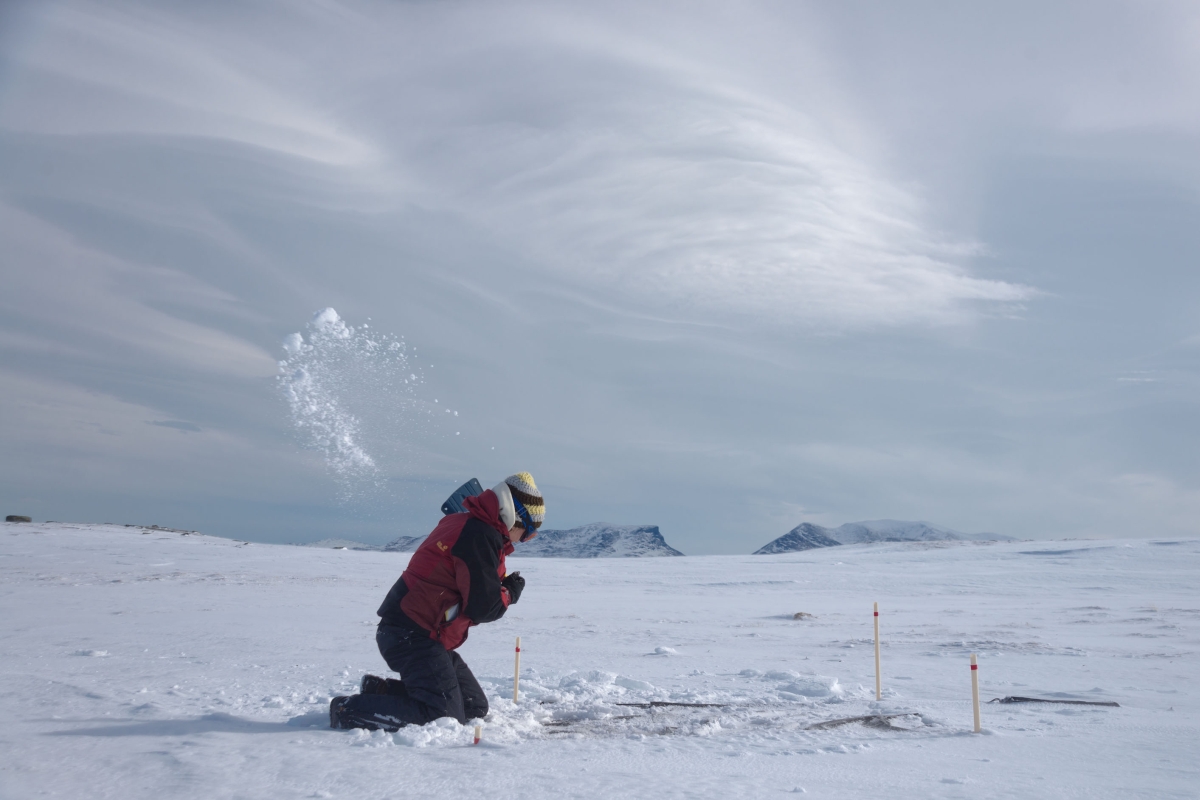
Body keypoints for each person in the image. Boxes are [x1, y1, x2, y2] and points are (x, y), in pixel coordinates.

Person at [330, 472, 544, 731]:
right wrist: (509, 593)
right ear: (513, 515)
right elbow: (483, 607)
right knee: (441, 717)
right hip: (411, 636)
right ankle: (347, 709)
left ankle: (380, 692)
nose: (525, 539)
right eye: (529, 531)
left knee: (473, 707)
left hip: (424, 635)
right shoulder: (478, 535)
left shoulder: (470, 525)